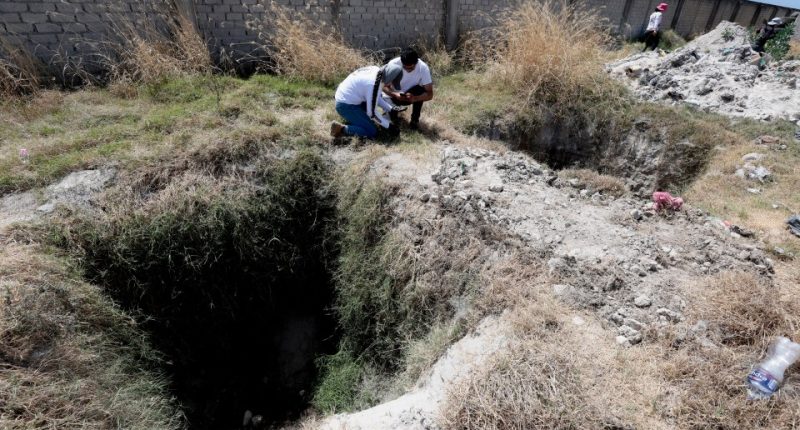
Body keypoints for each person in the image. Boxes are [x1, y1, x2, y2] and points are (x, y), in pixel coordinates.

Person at [331, 63, 404, 139]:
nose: (391, 86)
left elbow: (375, 96)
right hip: (345, 105)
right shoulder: (373, 84)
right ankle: (341, 129)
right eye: (392, 83)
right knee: (371, 131)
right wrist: (389, 126)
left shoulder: (376, 71)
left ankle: (356, 120)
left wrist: (391, 109)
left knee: (372, 122)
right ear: (389, 78)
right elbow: (372, 114)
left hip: (346, 96)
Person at [382, 48, 434, 129]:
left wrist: (415, 98)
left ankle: (414, 121)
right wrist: (395, 94)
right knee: (392, 122)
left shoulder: (423, 68)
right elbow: (383, 86)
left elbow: (429, 94)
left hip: (410, 96)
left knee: (420, 90)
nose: (407, 70)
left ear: (416, 62)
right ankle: (393, 114)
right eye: (405, 67)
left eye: (411, 68)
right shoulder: (393, 64)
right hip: (392, 96)